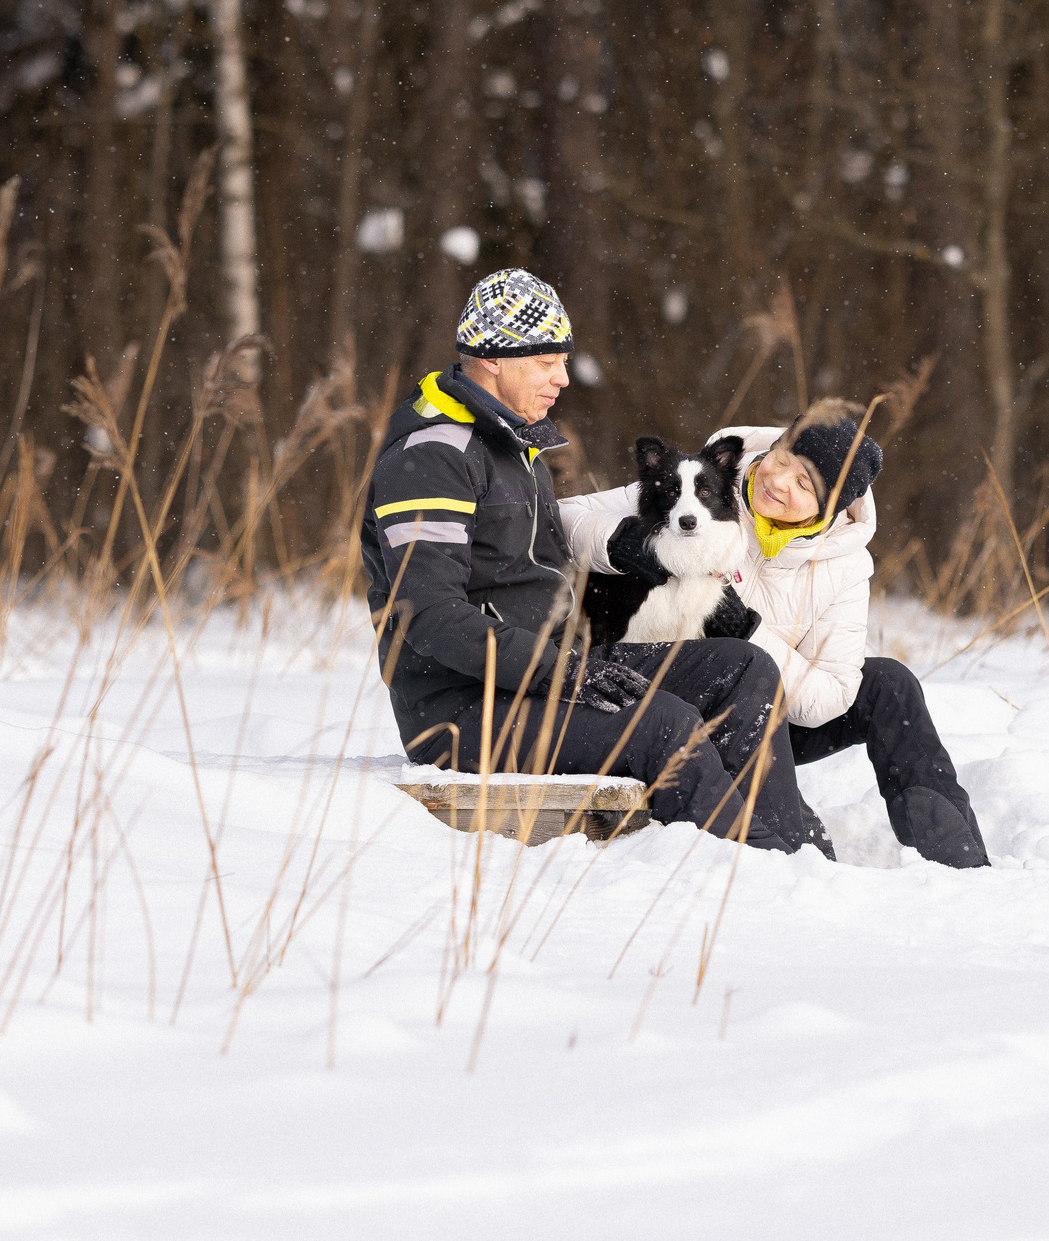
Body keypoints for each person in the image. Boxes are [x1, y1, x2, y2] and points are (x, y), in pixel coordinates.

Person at [360, 269, 828, 855]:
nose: (562, 377)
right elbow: (429, 616)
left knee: (742, 670)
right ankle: (752, 874)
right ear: (493, 359)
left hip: (549, 675)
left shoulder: (512, 444)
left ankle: (797, 856)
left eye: (563, 360)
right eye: (546, 361)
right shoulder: (432, 455)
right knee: (665, 726)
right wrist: (565, 673)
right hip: (464, 712)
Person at [563, 398, 991, 868]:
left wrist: (748, 629)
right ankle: (792, 842)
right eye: (781, 459)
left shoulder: (844, 566)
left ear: (831, 508)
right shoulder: (700, 487)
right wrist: (623, 543)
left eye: (804, 483)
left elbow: (829, 698)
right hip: (685, 697)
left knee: (891, 684)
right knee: (740, 671)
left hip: (773, 715)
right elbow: (561, 517)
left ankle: (957, 854)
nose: (778, 482)